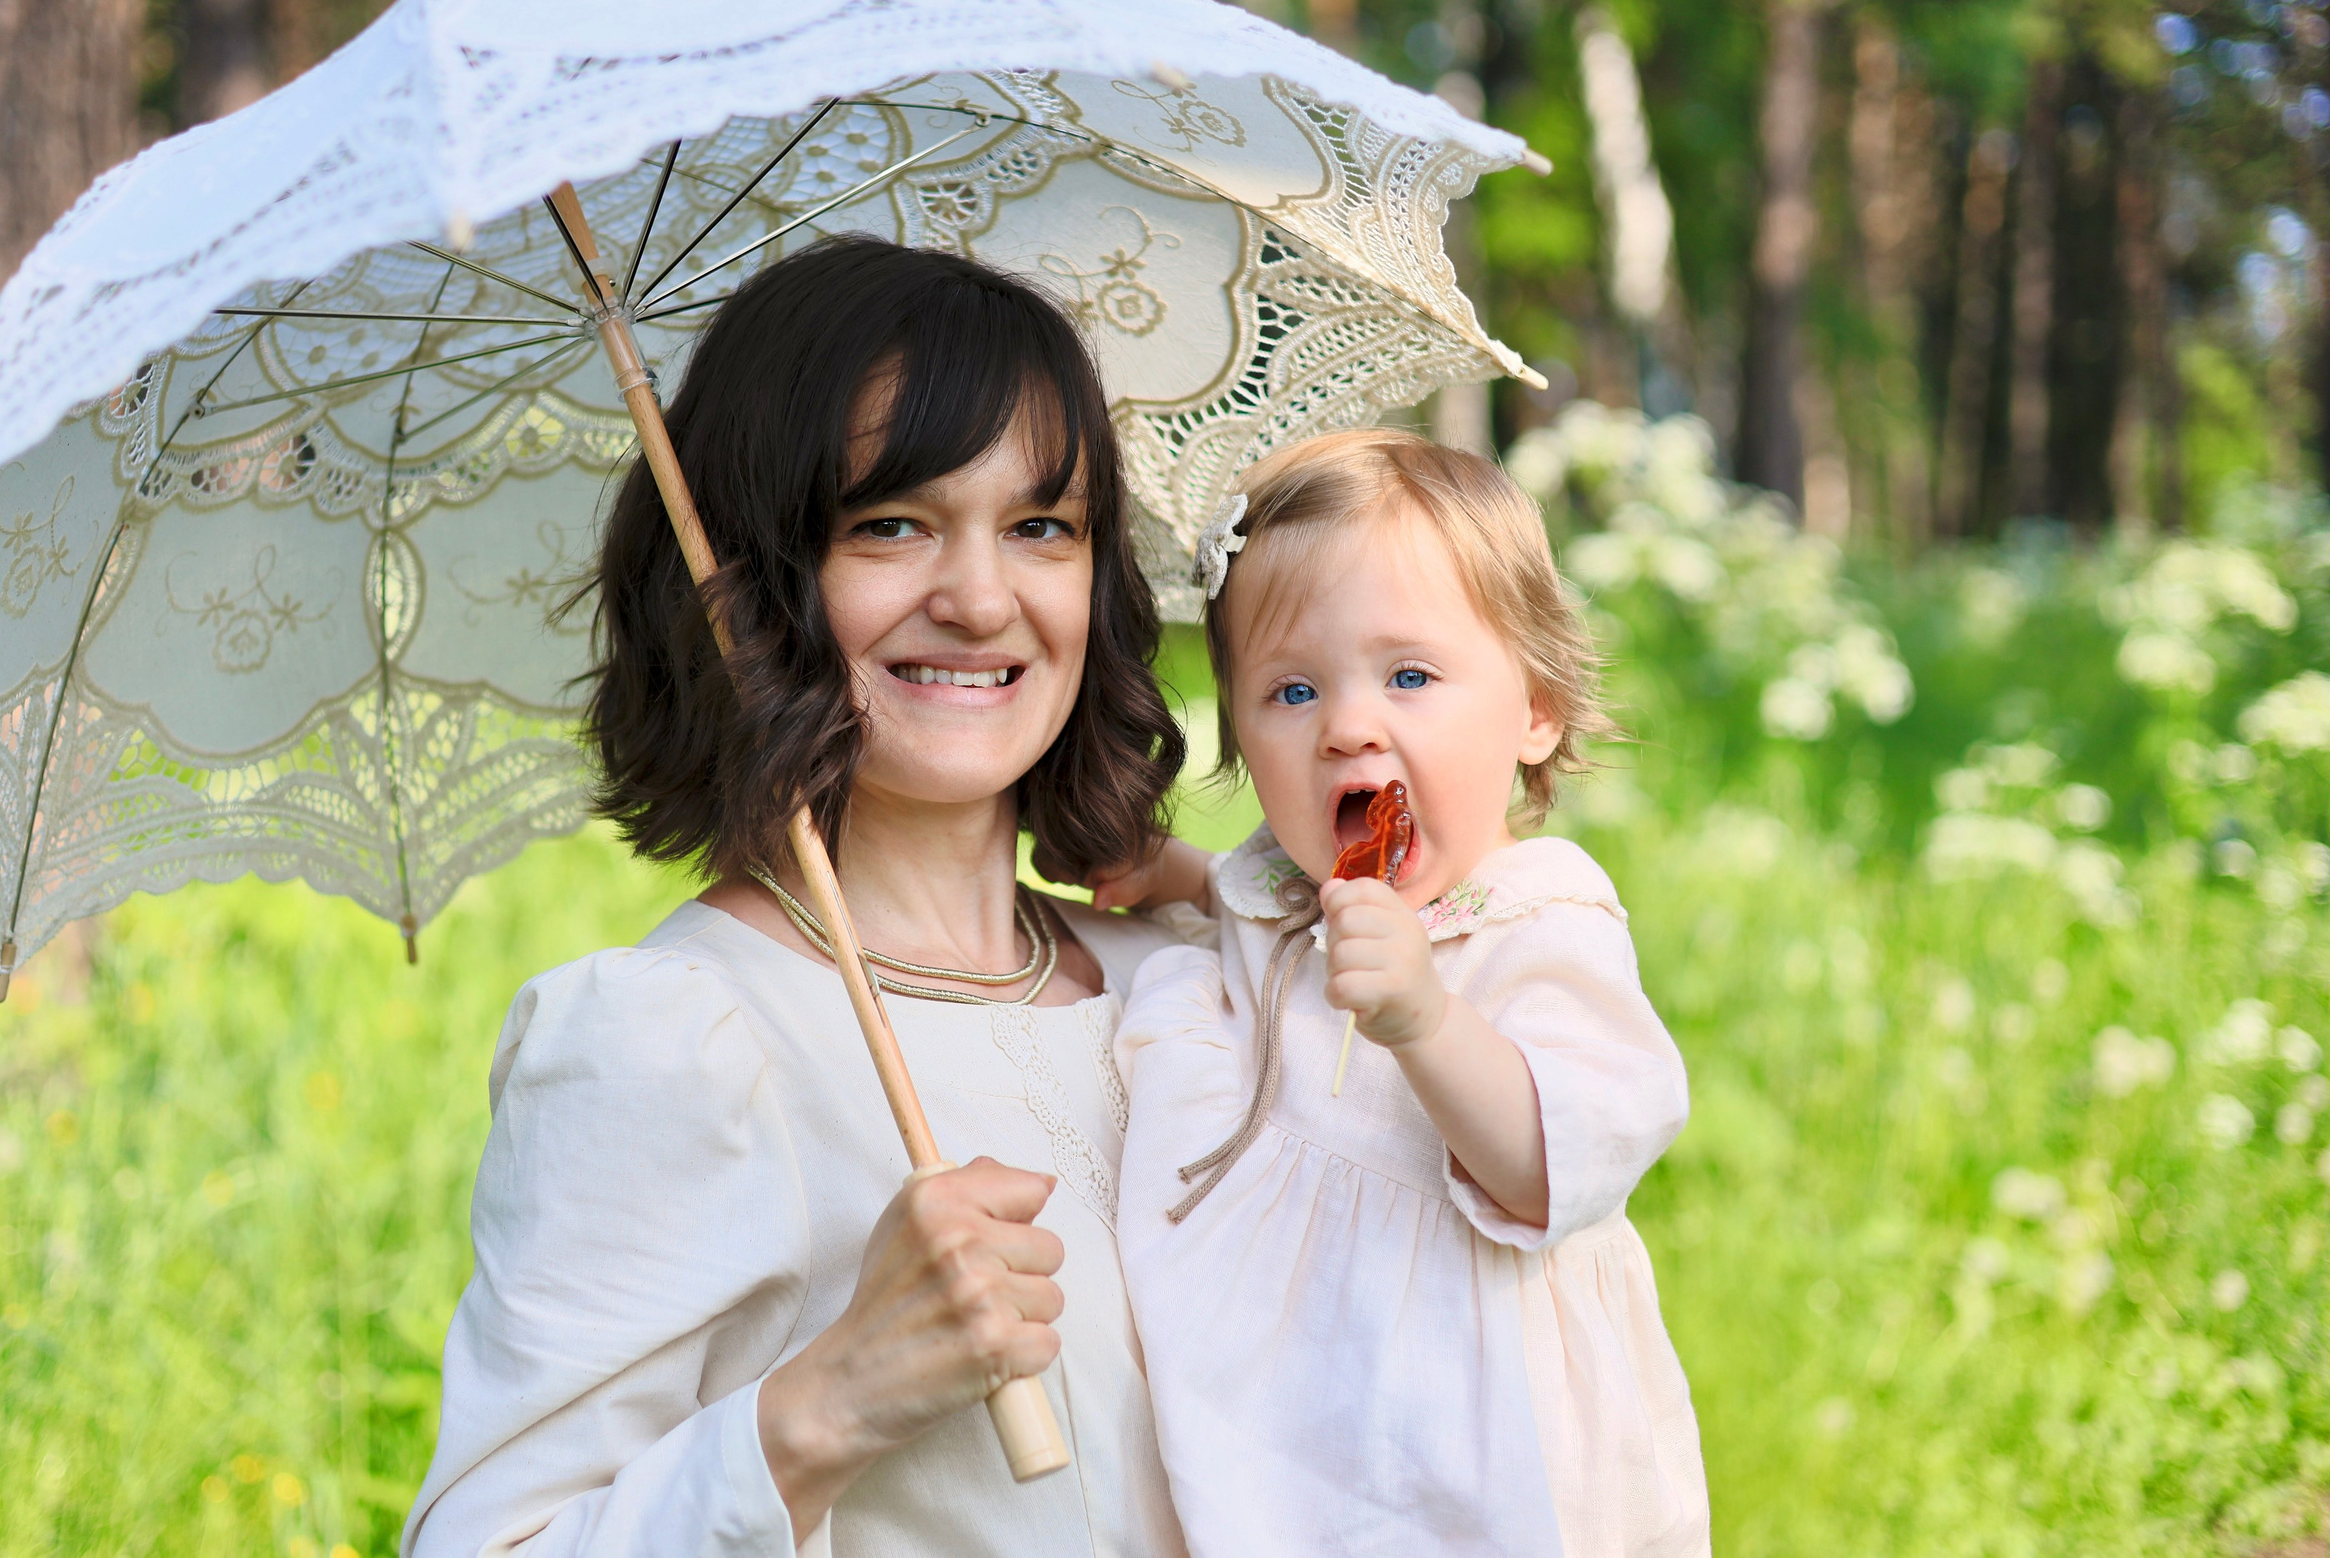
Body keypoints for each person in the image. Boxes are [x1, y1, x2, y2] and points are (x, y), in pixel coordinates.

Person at [402, 237, 1191, 1557]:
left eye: (1040, 527)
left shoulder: (1178, 977)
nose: (981, 597)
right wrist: (836, 1397)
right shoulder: (677, 1042)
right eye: (891, 524)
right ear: (753, 586)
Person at [1095, 431, 1708, 1556]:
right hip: (1301, 1396)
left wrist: (1426, 1021)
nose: (1347, 726)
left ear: (1535, 708)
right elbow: (1245, 917)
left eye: (1410, 676)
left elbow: (1552, 1164)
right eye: (1290, 689)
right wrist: (1167, 874)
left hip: (1472, 1428)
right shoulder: (1291, 886)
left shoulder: (1541, 920)